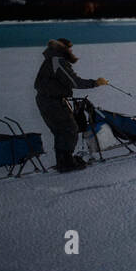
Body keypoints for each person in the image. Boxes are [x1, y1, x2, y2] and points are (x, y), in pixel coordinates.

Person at [33, 38, 109, 172]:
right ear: (63, 49)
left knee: (61, 130)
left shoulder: (52, 60)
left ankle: (63, 161)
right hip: (52, 101)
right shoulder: (57, 61)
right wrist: (95, 83)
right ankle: (66, 163)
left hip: (47, 100)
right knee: (69, 129)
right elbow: (73, 81)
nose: (71, 51)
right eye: (69, 48)